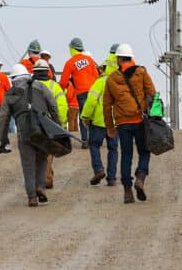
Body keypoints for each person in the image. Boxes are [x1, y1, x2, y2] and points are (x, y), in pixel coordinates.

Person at [0, 63, 60, 207]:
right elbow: (53, 105)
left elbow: (3, 119)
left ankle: (32, 197)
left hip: (24, 133)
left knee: (28, 164)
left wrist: (3, 140)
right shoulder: (40, 86)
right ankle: (40, 187)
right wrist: (57, 126)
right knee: (42, 159)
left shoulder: (11, 93)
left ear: (13, 79)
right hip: (42, 129)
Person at [103, 44, 157, 204]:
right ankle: (140, 177)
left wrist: (110, 127)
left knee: (126, 155)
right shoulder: (141, 72)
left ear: (118, 59)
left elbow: (107, 105)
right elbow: (152, 93)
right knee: (144, 152)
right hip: (140, 120)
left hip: (122, 123)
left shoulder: (112, 78)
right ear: (131, 58)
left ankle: (127, 191)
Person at [81, 55, 118, 186]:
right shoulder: (121, 82)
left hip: (98, 122)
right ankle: (112, 178)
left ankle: (98, 170)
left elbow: (91, 101)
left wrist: (85, 116)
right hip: (115, 123)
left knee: (94, 145)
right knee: (113, 149)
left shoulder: (100, 82)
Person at [60, 37, 100, 149]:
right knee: (93, 115)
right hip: (93, 92)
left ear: (72, 48)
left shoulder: (70, 62)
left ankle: (84, 140)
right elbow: (97, 77)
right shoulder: (90, 60)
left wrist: (60, 92)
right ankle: (95, 140)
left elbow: (63, 81)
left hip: (82, 93)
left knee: (83, 116)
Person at [36, 59, 68, 190]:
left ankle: (38, 179)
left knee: (35, 152)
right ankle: (47, 179)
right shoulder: (54, 86)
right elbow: (61, 105)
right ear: (47, 72)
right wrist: (61, 124)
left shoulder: (29, 85)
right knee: (48, 152)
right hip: (49, 125)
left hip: (33, 124)